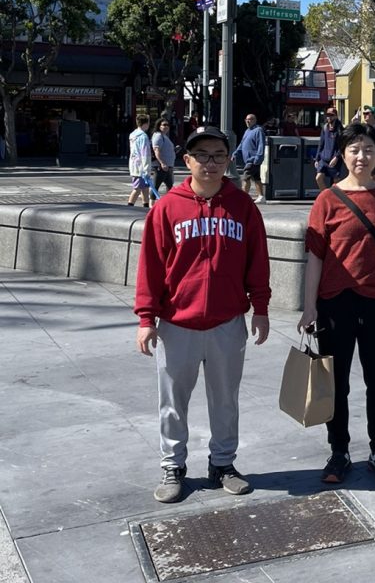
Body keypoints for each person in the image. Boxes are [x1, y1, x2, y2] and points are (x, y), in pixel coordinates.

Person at [134, 125, 271, 503]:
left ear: (228, 161)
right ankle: (173, 466)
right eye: (202, 156)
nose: (211, 163)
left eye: (219, 156)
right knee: (172, 402)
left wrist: (261, 309)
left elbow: (258, 261)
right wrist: (146, 319)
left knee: (225, 399)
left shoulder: (242, 207)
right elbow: (150, 267)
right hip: (176, 324)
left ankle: (223, 463)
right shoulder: (167, 208)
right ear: (187, 160)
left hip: (227, 322)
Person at [297, 123, 375, 486]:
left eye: (368, 150)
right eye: (354, 149)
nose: (361, 156)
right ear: (343, 154)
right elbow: (315, 257)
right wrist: (309, 306)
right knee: (336, 384)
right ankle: (339, 451)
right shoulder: (327, 200)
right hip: (334, 305)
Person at [232, 113, 266, 204]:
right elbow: (242, 144)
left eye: (250, 119)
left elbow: (261, 145)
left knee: (245, 178)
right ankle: (261, 196)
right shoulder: (247, 131)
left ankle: (243, 198)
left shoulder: (258, 130)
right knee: (257, 178)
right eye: (246, 119)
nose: (248, 121)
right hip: (249, 160)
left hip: (253, 159)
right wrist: (235, 153)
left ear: (255, 120)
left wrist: (258, 158)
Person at [313, 106, 344, 190]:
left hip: (334, 160)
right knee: (318, 178)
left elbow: (343, 145)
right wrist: (317, 159)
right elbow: (321, 144)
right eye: (328, 115)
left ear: (336, 116)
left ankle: (336, 196)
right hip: (324, 159)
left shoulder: (340, 129)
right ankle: (326, 195)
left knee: (336, 182)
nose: (329, 117)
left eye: (331, 115)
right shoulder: (325, 127)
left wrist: (336, 157)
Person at [127, 113, 153, 208]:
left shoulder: (133, 135)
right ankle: (129, 206)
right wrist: (147, 169)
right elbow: (145, 154)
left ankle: (146, 206)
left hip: (134, 164)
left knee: (145, 188)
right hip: (141, 167)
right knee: (137, 188)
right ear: (145, 124)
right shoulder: (143, 136)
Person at [151, 117, 176, 195]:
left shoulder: (164, 136)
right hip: (161, 167)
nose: (166, 126)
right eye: (164, 125)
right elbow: (156, 150)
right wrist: (162, 163)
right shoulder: (158, 136)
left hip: (168, 166)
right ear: (159, 126)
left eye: (168, 125)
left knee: (170, 187)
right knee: (155, 187)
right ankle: (151, 202)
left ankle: (168, 201)